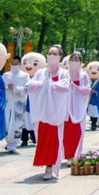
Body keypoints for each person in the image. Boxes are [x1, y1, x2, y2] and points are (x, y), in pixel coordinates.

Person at [26, 45, 70, 180]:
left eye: (54, 54)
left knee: (54, 140)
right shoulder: (40, 73)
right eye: (49, 53)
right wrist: (45, 83)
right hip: (42, 112)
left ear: (60, 57)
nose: (51, 56)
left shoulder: (64, 73)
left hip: (56, 112)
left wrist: (49, 84)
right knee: (42, 140)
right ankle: (45, 162)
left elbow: (65, 86)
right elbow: (31, 85)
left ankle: (50, 167)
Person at [65, 52, 92, 166]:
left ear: (81, 63)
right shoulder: (65, 74)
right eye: (72, 59)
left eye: (77, 60)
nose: (74, 62)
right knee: (66, 132)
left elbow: (87, 90)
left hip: (78, 108)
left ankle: (75, 154)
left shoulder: (84, 76)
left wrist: (74, 87)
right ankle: (67, 155)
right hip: (66, 107)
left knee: (77, 132)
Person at [2, 56, 30, 154]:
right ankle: (8, 142)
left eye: (16, 63)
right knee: (6, 124)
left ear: (20, 64)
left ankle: (13, 145)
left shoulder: (25, 76)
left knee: (16, 124)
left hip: (19, 103)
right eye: (12, 63)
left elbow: (27, 89)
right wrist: (7, 88)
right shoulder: (6, 75)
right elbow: (1, 88)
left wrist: (15, 88)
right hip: (8, 102)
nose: (14, 65)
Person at [20, 52, 46, 147]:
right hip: (23, 102)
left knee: (35, 120)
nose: (29, 66)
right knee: (24, 121)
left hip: (36, 102)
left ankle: (34, 136)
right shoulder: (22, 76)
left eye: (35, 64)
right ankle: (24, 139)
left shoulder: (42, 75)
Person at [86, 62, 99, 130]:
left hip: (96, 99)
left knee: (95, 112)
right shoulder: (88, 81)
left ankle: (94, 124)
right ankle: (92, 122)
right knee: (90, 112)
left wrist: (96, 92)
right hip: (90, 99)